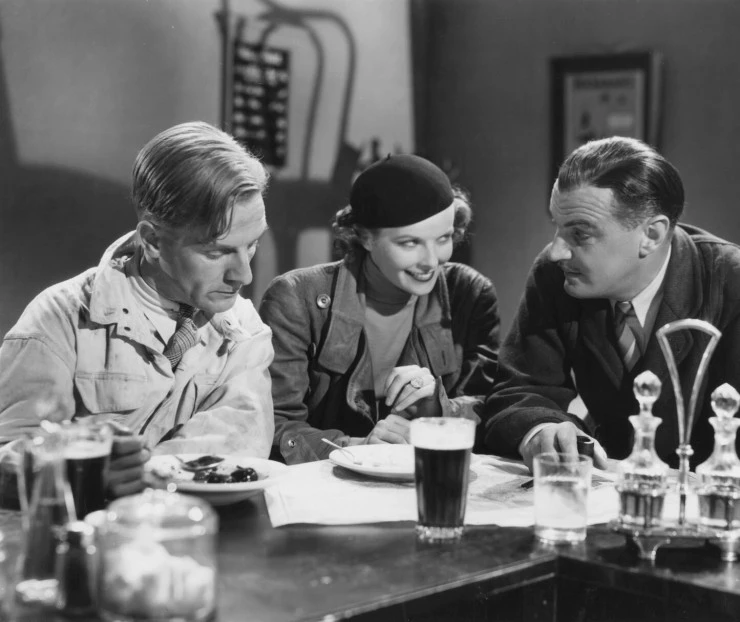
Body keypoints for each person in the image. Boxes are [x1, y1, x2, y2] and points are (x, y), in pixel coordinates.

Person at [0, 121, 274, 498]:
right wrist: (86, 472)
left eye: (252, 245)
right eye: (216, 252)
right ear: (153, 241)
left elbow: (238, 450)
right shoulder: (61, 318)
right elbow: (8, 457)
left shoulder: (243, 328)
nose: (243, 274)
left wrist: (136, 475)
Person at [482, 136, 740, 472]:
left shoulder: (731, 283)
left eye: (580, 234)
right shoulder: (556, 276)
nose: (557, 251)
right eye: (557, 227)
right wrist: (543, 428)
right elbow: (519, 387)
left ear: (651, 235)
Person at [259, 154, 500, 464]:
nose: (431, 261)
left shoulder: (469, 293)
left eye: (443, 239)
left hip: (428, 479)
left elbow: (491, 407)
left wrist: (437, 409)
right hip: (325, 485)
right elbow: (274, 426)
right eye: (410, 243)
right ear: (366, 237)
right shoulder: (296, 298)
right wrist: (357, 447)